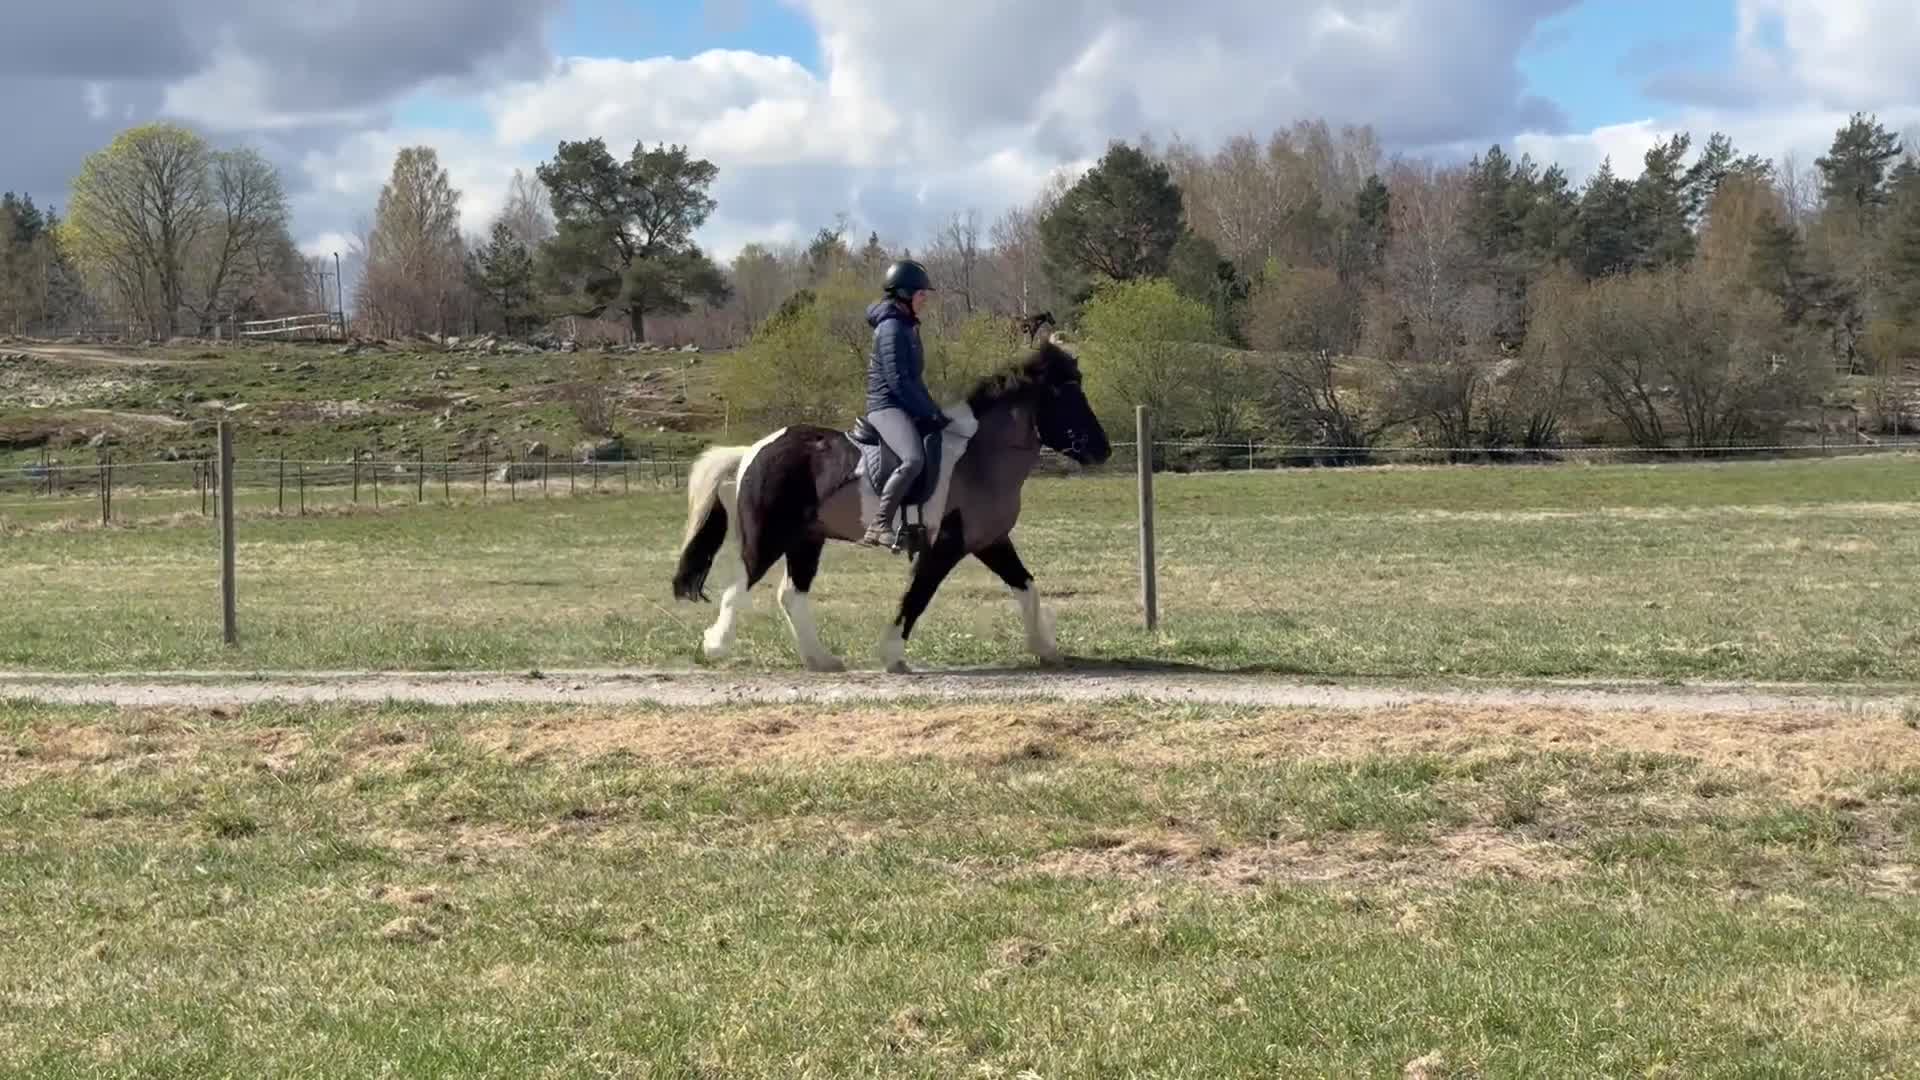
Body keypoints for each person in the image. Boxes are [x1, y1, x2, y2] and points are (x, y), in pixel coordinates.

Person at [862, 258, 949, 548]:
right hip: (885, 405)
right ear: (904, 294)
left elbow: (914, 380)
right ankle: (879, 523)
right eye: (921, 294)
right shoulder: (891, 328)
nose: (925, 299)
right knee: (913, 459)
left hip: (901, 402)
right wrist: (926, 411)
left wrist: (934, 411)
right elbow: (898, 381)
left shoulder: (907, 326)